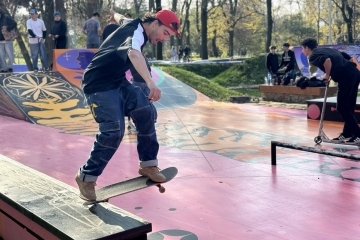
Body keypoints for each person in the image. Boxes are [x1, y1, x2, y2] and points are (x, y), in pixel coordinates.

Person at [75, 9, 181, 201]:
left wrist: (113, 14)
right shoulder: (136, 33)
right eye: (166, 33)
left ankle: (148, 164)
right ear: (155, 23)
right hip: (97, 85)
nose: (165, 39)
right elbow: (133, 53)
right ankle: (86, 177)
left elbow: (120, 18)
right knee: (113, 131)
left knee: (146, 111)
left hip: (117, 82)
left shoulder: (131, 23)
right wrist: (150, 83)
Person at [301, 38, 360, 145]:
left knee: (342, 107)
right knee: (349, 106)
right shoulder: (326, 49)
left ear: (307, 48)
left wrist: (327, 76)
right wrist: (350, 59)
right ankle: (347, 133)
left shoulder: (313, 56)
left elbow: (327, 60)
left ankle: (358, 134)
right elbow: (341, 53)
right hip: (354, 73)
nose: (302, 51)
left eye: (302, 49)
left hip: (346, 76)